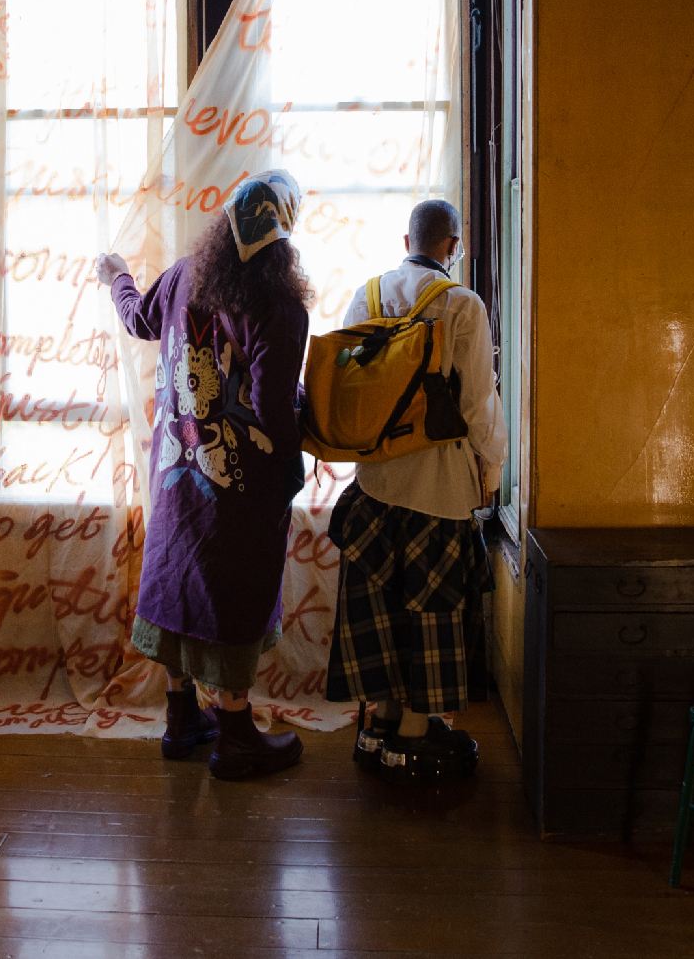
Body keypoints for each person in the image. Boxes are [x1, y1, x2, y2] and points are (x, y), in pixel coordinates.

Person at [96, 170, 311, 780]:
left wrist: (117, 276)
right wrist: (295, 465)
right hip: (239, 486)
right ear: (284, 236)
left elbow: (138, 319)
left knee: (179, 582)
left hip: (175, 475)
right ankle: (237, 737)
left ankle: (182, 719)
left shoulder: (186, 275)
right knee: (235, 592)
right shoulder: (280, 305)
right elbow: (271, 409)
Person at [324, 198, 506, 779]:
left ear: (408, 240)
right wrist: (492, 470)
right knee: (431, 614)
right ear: (453, 244)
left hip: (375, 485)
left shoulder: (368, 295)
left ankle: (379, 723)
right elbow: (479, 403)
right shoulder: (462, 305)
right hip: (440, 487)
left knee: (378, 609)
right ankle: (415, 735)